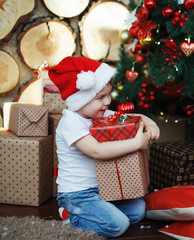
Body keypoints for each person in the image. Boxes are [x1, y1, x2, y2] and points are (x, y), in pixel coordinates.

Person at [48, 56, 160, 238]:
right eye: (100, 97)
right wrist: (136, 143)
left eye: (108, 95)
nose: (107, 101)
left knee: (138, 210)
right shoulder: (71, 122)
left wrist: (150, 123)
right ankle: (71, 216)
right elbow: (96, 151)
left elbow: (134, 117)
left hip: (103, 190)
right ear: (80, 100)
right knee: (117, 225)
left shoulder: (101, 114)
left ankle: (99, 211)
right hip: (77, 194)